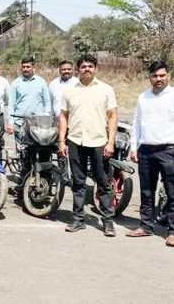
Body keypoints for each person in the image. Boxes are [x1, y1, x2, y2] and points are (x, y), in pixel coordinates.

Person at [126, 60, 174, 247]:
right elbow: (137, 123)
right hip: (146, 150)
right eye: (155, 76)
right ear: (150, 77)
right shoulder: (143, 97)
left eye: (162, 75)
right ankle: (146, 225)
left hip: (170, 150)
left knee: (173, 192)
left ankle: (173, 232)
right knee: (147, 191)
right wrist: (134, 147)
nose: (158, 79)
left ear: (168, 76)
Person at [58, 54, 118, 236]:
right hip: (76, 141)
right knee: (78, 182)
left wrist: (111, 142)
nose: (87, 69)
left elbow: (112, 116)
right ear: (78, 69)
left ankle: (108, 221)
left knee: (103, 182)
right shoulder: (69, 90)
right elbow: (63, 116)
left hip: (99, 142)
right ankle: (78, 219)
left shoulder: (106, 89)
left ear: (96, 68)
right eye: (83, 66)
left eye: (90, 66)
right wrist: (62, 140)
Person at [6, 56, 51, 148]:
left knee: (40, 150)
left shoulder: (41, 82)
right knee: (22, 152)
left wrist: (46, 118)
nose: (25, 69)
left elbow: (47, 103)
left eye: (28, 67)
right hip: (20, 123)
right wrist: (10, 123)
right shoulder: (15, 83)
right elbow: (11, 105)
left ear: (34, 68)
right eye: (23, 67)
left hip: (37, 123)